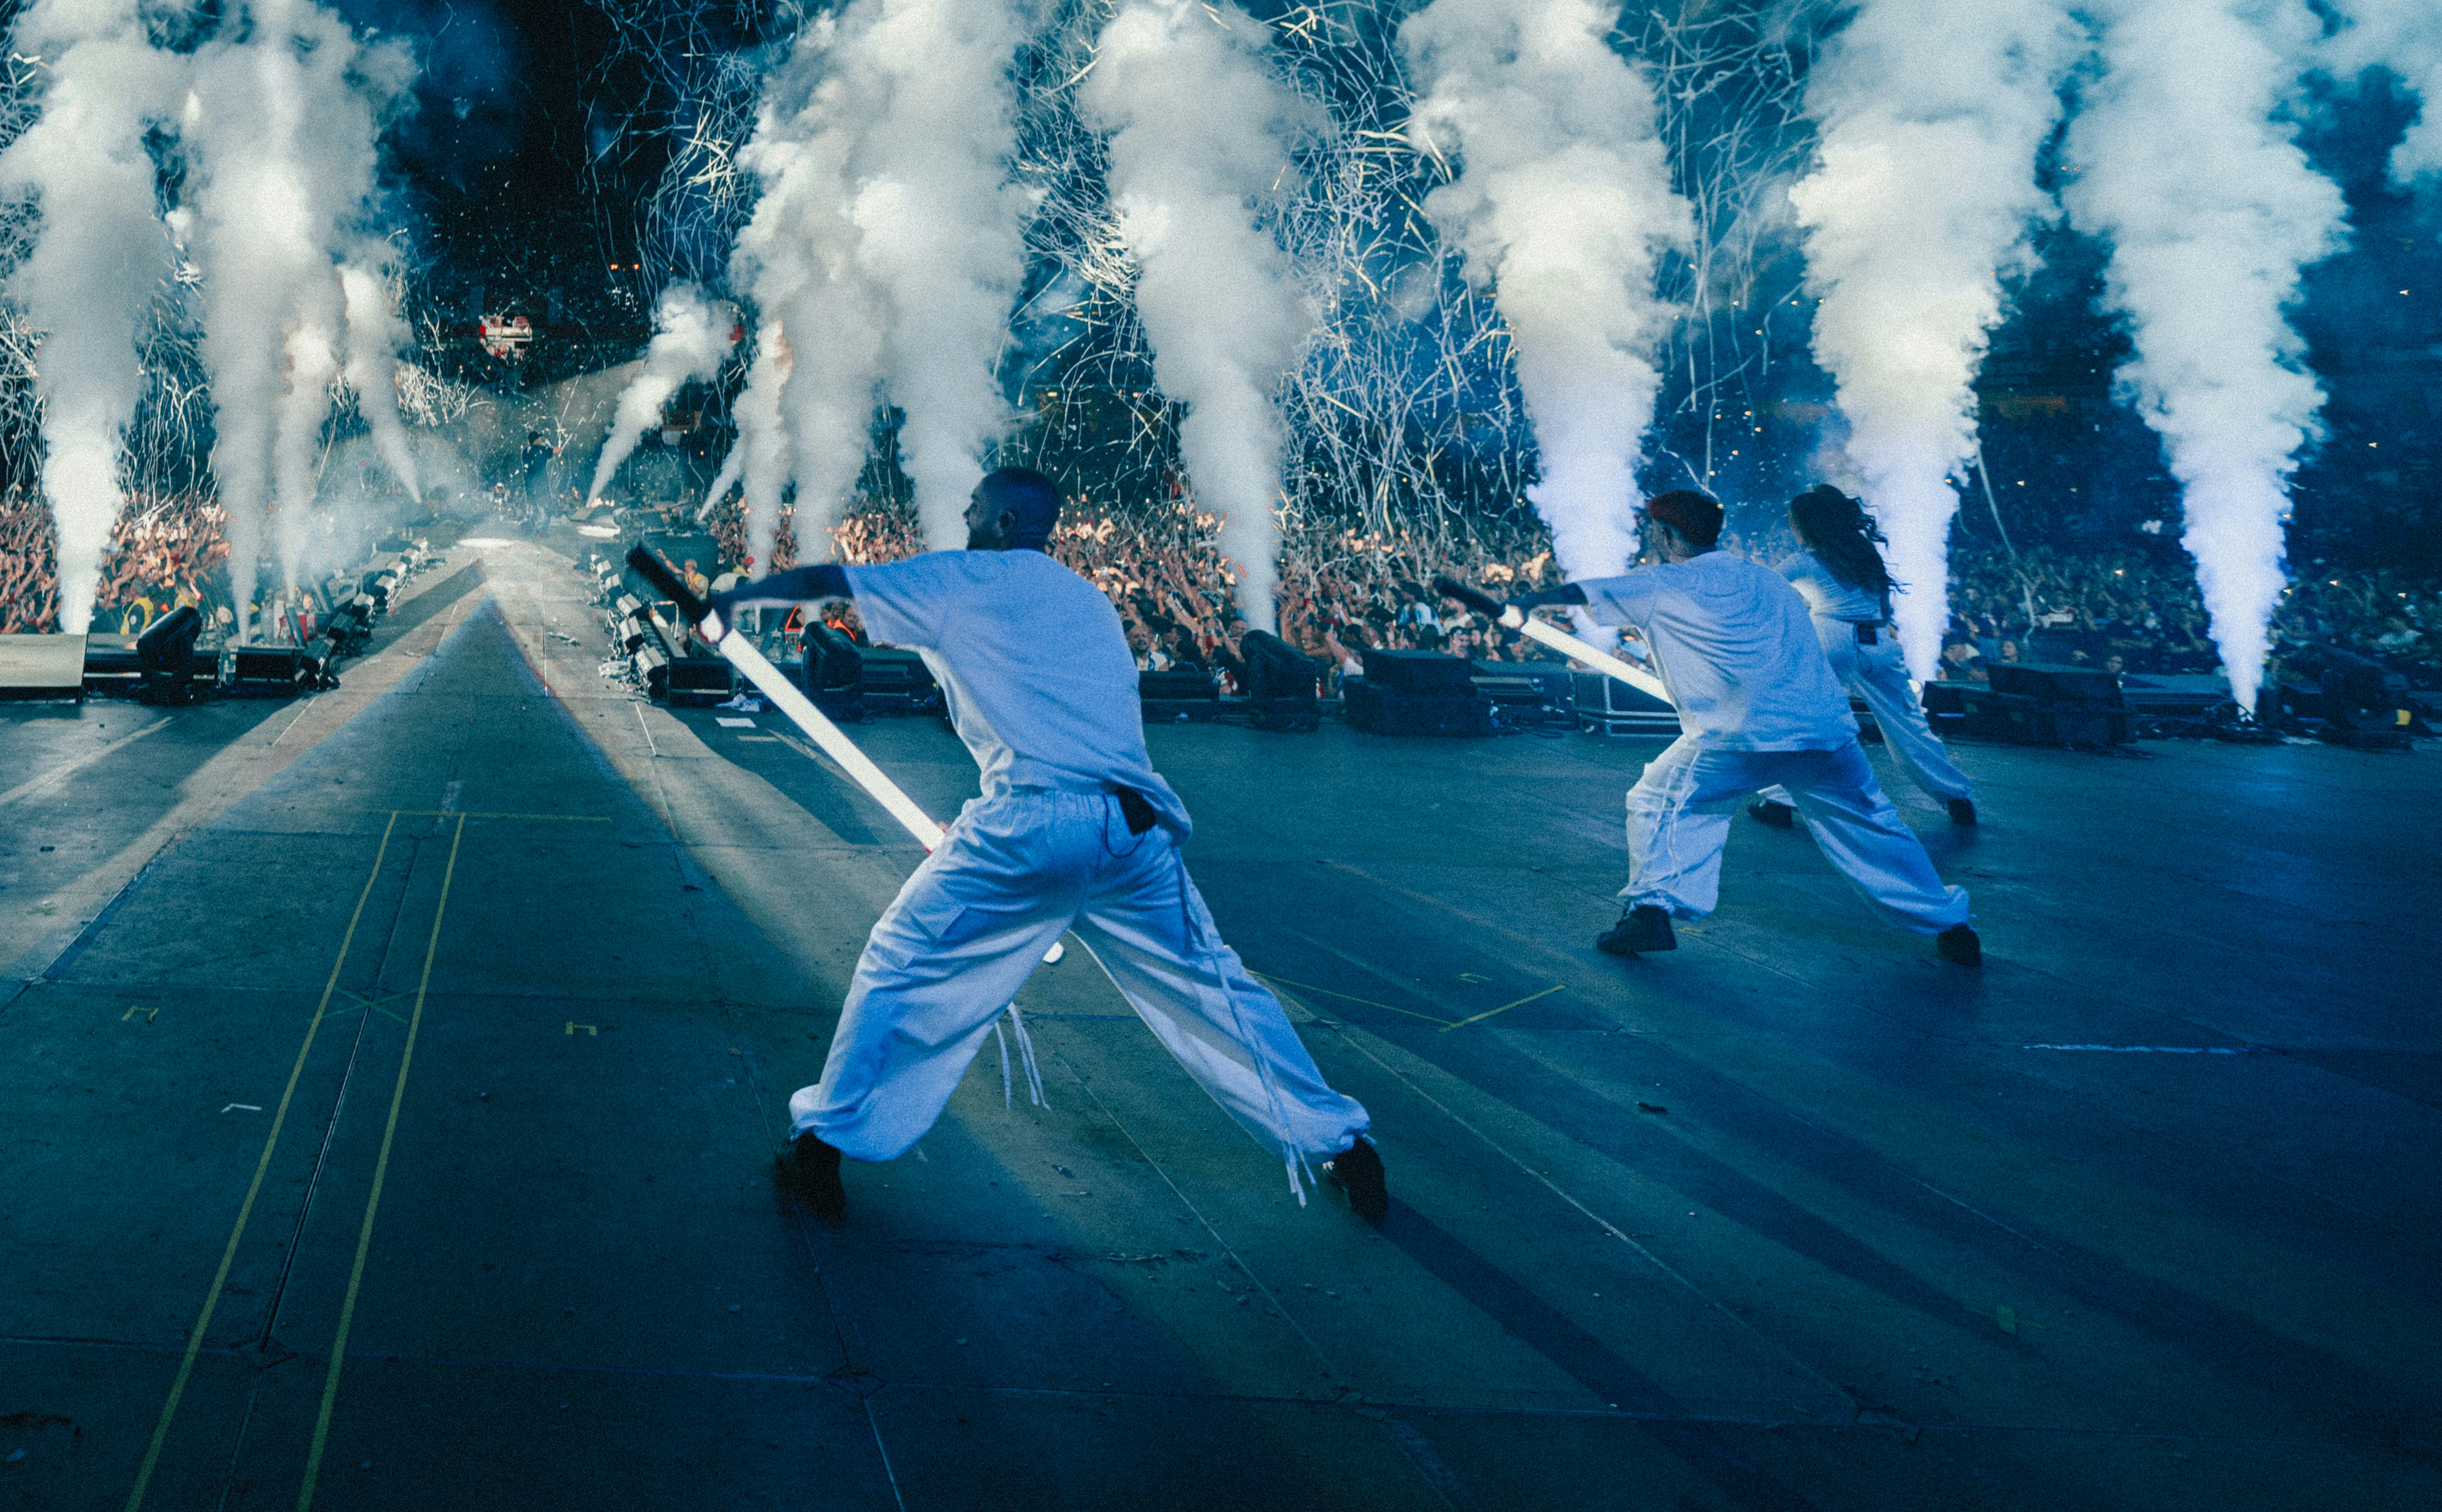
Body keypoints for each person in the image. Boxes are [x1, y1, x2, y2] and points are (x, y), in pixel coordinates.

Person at [709, 470, 1386, 1227]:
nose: (961, 517)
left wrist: (734, 599)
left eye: (971, 509)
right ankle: (1343, 1143)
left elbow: (829, 579)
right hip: (1132, 834)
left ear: (1001, 521)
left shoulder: (964, 575)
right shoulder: (1087, 599)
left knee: (900, 961)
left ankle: (823, 1146)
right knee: (1214, 991)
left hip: (1028, 825)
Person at [1457, 490, 1978, 967]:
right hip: (1824, 732)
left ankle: (1651, 912)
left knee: (1658, 799)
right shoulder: (1768, 580)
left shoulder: (1663, 583)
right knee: (1875, 826)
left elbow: (1587, 591)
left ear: (1664, 534)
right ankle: (1949, 922)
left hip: (1737, 738)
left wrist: (1525, 605)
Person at [1749, 485, 1979, 836]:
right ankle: (1955, 796)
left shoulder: (1804, 562)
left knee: (1807, 719)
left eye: (1793, 522)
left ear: (1807, 525)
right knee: (1908, 723)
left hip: (1829, 638)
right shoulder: (1864, 554)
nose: (1791, 528)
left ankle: (1780, 801)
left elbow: (1762, 591)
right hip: (1878, 641)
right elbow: (1884, 607)